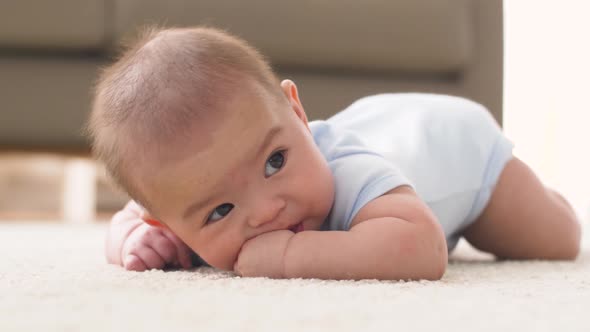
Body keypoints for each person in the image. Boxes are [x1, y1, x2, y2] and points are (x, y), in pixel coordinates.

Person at [88, 26, 581, 280]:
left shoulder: (350, 171)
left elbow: (422, 248)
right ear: (168, 222)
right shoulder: (185, 186)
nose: (267, 212)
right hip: (385, 122)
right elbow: (129, 221)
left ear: (297, 113)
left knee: (556, 239)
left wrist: (288, 257)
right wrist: (132, 244)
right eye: (221, 211)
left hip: (457, 149)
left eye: (275, 161)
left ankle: (551, 190)